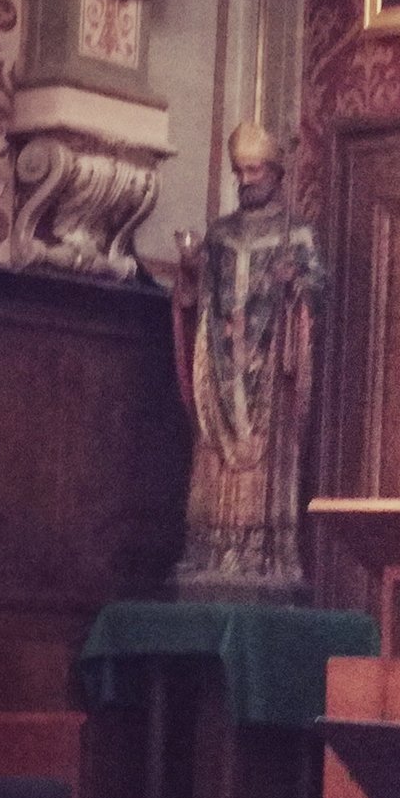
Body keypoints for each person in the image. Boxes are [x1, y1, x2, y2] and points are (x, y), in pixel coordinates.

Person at [171, 120, 325, 593]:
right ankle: (213, 551)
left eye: (255, 172)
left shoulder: (296, 233)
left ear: (276, 173)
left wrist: (293, 282)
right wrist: (190, 275)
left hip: (268, 365)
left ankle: (265, 557)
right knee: (214, 453)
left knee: (265, 457)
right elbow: (198, 298)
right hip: (220, 361)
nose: (245, 181)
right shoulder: (220, 234)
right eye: (239, 172)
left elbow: (319, 285)